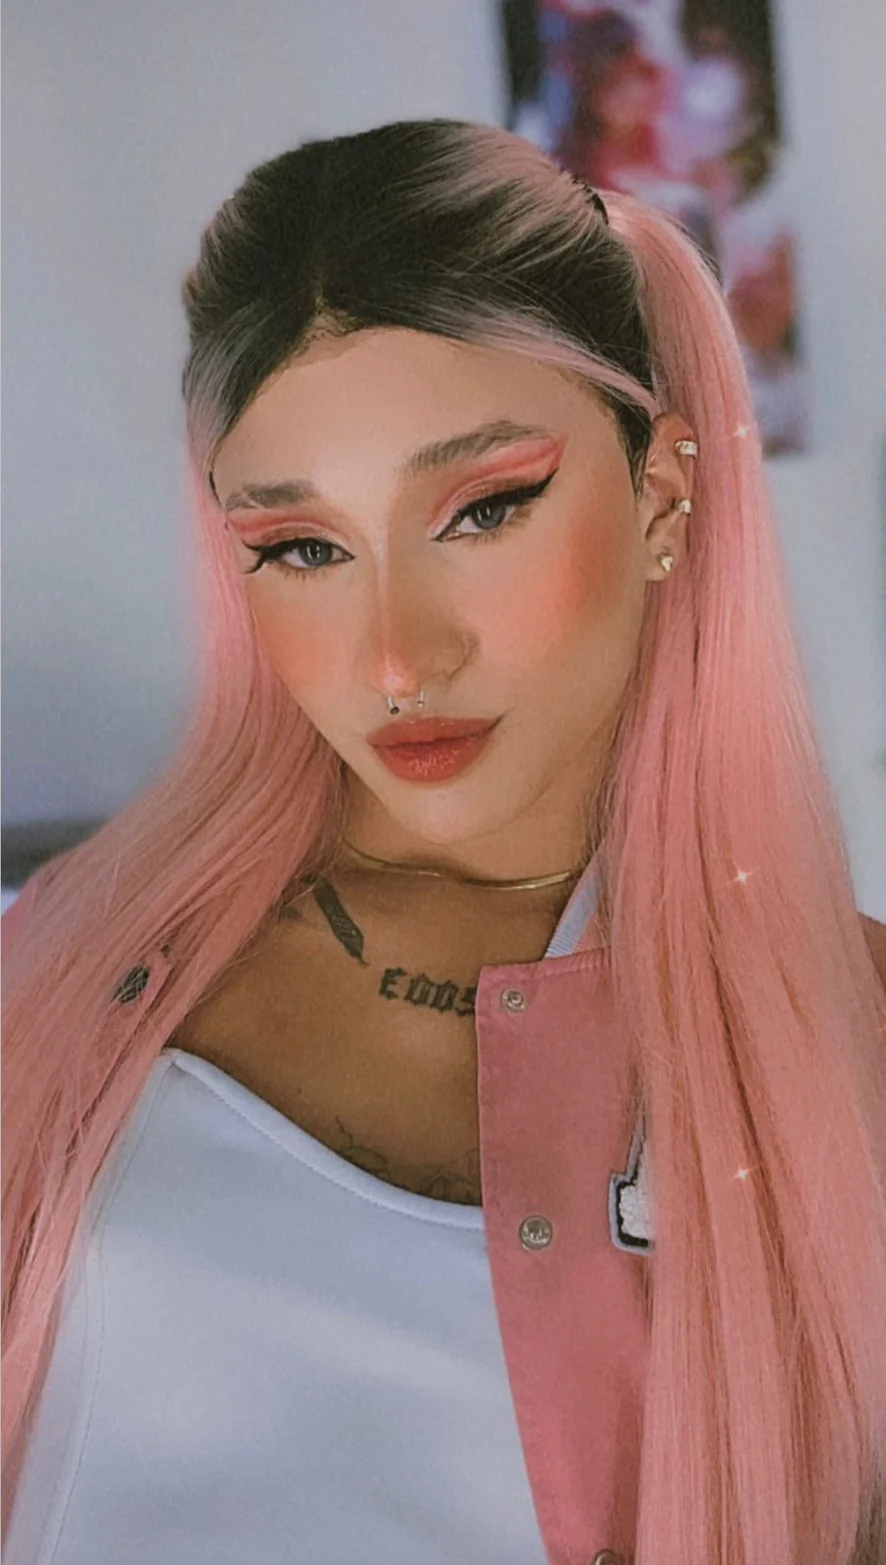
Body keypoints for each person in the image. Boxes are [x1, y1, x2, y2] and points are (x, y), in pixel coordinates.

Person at [3, 118, 885, 1565]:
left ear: (661, 493)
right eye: (301, 547)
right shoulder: (61, 956)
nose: (397, 658)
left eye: (481, 510)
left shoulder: (848, 1051)